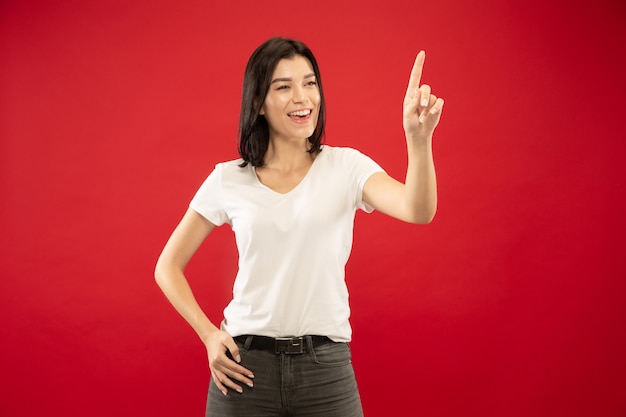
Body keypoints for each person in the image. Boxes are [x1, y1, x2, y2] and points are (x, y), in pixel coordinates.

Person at [155, 37, 444, 417]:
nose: (302, 97)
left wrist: (418, 141)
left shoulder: (346, 167)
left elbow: (417, 209)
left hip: (326, 371)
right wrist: (209, 335)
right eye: (284, 87)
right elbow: (167, 267)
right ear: (258, 102)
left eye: (309, 83)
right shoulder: (230, 178)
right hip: (244, 370)